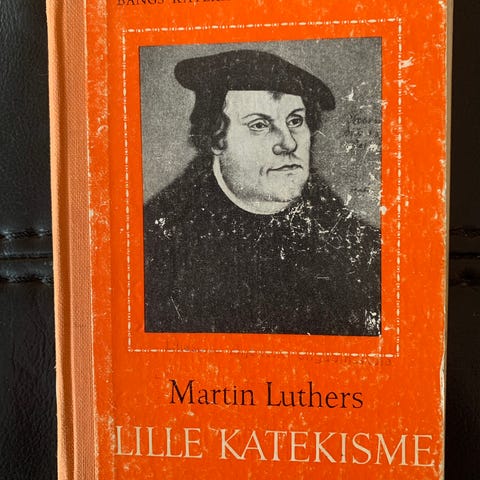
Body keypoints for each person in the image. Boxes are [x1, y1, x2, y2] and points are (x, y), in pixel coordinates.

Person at [143, 49, 381, 335]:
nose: (288, 143)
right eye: (259, 125)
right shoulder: (157, 243)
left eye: (295, 121)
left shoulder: (361, 248)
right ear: (216, 139)